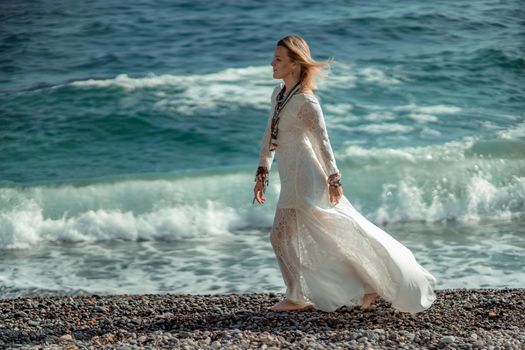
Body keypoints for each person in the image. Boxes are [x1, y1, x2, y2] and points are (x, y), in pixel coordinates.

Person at [253, 34, 437, 314]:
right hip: (290, 176)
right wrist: (263, 170)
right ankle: (367, 284)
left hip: (307, 178)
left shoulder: (307, 102)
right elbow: (270, 135)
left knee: (281, 236)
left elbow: (323, 143)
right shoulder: (278, 95)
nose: (272, 63)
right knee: (324, 238)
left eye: (278, 59)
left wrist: (334, 179)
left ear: (294, 64)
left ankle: (296, 296)